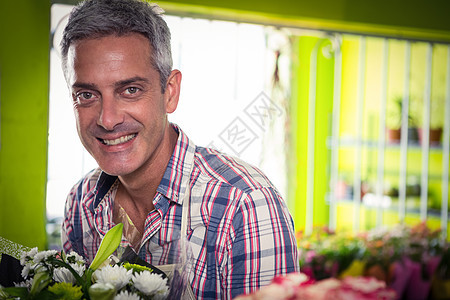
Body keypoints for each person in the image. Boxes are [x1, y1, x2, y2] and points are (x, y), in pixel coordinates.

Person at [60, 0, 299, 298]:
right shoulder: (81, 202)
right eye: (86, 94)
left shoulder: (244, 205)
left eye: (130, 90)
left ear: (170, 92)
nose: (108, 119)